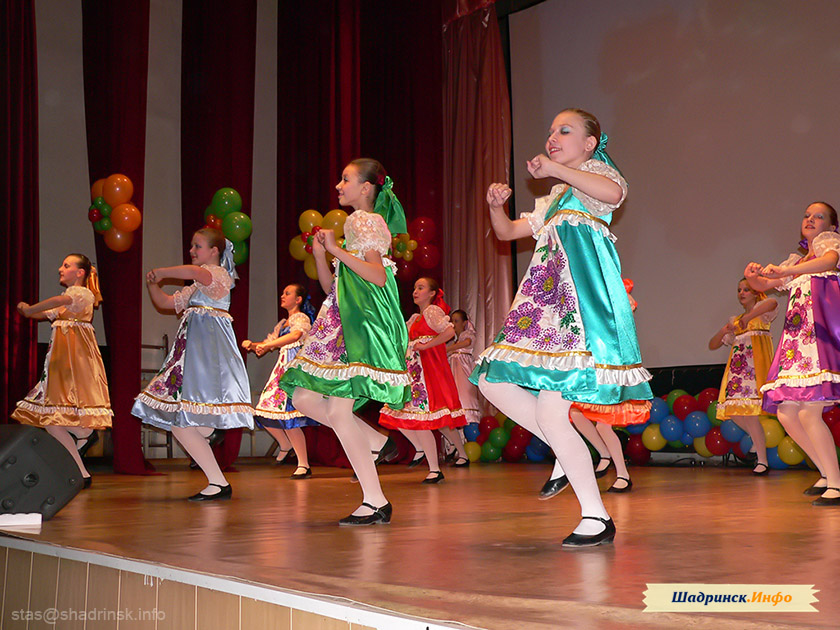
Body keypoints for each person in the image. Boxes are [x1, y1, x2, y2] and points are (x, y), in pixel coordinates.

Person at [473, 109, 652, 546]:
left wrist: (555, 169)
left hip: (579, 312)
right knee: (491, 381)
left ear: (590, 144)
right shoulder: (554, 196)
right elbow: (510, 231)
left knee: (554, 413)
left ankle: (595, 516)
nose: (553, 136)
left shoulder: (595, 176)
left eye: (564, 131)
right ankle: (569, 450)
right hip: (541, 312)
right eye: (550, 130)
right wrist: (497, 208)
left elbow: (613, 194)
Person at [281, 158, 410, 525]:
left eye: (346, 179)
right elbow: (331, 286)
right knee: (304, 397)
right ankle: (379, 443)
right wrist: (323, 254)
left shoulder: (363, 220)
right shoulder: (355, 225)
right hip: (343, 318)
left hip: (365, 320)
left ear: (366, 188)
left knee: (338, 412)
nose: (339, 185)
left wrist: (336, 250)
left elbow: (378, 277)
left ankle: (375, 501)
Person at [133, 228, 254, 501]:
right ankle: (216, 471)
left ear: (214, 252)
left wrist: (163, 271)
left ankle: (215, 457)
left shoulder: (218, 275)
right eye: (191, 245)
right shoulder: (197, 288)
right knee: (182, 422)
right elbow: (165, 302)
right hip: (190, 355)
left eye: (197, 246)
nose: (192, 250)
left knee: (183, 422)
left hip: (209, 354)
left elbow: (196, 272)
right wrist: (153, 283)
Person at [745, 201, 840, 504]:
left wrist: (787, 269)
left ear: (832, 227)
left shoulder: (828, 247)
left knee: (810, 413)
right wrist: (753, 277)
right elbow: (768, 283)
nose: (811, 219)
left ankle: (836, 483)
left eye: (819, 216)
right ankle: (826, 473)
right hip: (796, 346)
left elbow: (829, 261)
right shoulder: (798, 262)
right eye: (807, 215)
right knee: (787, 414)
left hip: (818, 341)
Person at [13, 254, 112, 487]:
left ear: (80, 273)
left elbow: (56, 302)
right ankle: (82, 435)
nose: (60, 268)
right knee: (52, 416)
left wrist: (29, 309)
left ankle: (81, 464)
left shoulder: (80, 293)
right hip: (60, 360)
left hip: (74, 359)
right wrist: (26, 311)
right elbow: (45, 313)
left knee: (52, 415)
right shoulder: (67, 299)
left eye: (66, 265)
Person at [380, 278, 468, 480]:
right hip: (415, 374)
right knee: (400, 414)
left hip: (427, 374)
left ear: (431, 293)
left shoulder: (432, 312)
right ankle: (423, 451)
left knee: (425, 419)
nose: (415, 291)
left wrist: (426, 346)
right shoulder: (414, 318)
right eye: (414, 288)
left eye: (420, 288)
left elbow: (449, 332)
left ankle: (436, 468)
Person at [243, 283, 317, 479]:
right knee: (262, 411)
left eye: (287, 293)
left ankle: (304, 464)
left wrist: (268, 345)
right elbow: (268, 345)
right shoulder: (283, 323)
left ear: (298, 299)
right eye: (283, 293)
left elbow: (296, 335)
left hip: (292, 370)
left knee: (289, 416)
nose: (282, 296)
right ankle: (285, 445)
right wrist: (254, 345)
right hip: (281, 369)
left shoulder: (300, 318)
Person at [708, 278, 778, 474]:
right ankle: (758, 440)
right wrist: (724, 330)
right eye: (739, 290)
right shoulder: (736, 321)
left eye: (747, 289)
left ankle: (762, 461)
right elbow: (712, 345)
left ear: (756, 292)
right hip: (738, 374)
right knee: (736, 413)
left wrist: (749, 318)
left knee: (750, 414)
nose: (742, 293)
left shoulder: (762, 313)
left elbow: (773, 303)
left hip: (755, 369)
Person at [446, 309, 481, 429]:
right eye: (452, 321)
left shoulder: (467, 335)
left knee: (465, 397)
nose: (453, 324)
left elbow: (467, 343)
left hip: (463, 370)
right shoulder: (452, 342)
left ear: (464, 323)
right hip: (453, 371)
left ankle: (471, 424)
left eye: (456, 321)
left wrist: (449, 349)